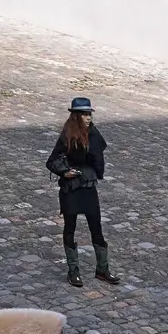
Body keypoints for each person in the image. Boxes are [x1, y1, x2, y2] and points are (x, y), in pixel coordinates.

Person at [47, 96, 117, 286]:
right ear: (76, 116)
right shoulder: (67, 135)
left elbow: (98, 156)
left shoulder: (93, 133)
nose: (88, 118)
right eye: (85, 115)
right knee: (70, 227)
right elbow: (51, 160)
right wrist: (64, 172)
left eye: (89, 114)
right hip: (71, 189)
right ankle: (73, 271)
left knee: (96, 226)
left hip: (88, 187)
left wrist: (95, 169)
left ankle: (103, 269)